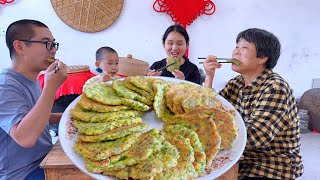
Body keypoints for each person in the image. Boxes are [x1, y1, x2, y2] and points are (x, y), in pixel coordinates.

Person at [203, 28, 303, 179]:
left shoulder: (276, 87)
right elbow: (210, 111)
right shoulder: (236, 83)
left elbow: (255, 137)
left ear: (263, 57)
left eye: (244, 47)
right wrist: (209, 77)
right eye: (236, 46)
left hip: (271, 166)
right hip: (242, 159)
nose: (235, 52)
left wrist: (206, 139)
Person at [0, 19, 67, 179]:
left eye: (54, 44)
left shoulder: (32, 79)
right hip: (23, 173)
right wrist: (51, 87)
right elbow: (25, 138)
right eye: (46, 43)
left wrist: (72, 116)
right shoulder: (4, 86)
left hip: (44, 159)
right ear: (20, 46)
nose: (53, 51)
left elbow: (39, 118)